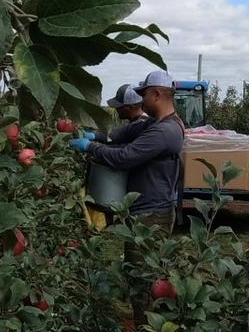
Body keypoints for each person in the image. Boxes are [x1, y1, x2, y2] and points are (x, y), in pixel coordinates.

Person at [70, 71, 185, 233]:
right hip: (144, 209)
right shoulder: (154, 123)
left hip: (152, 214)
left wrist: (89, 146)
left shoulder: (164, 131)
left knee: (140, 257)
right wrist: (94, 135)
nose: (142, 100)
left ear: (156, 94)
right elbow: (121, 133)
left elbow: (124, 157)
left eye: (144, 95)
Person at [82, 83, 150, 144]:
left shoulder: (142, 126)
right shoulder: (138, 122)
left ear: (129, 107)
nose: (116, 109)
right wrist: (95, 135)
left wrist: (89, 147)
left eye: (118, 106)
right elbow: (118, 134)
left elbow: (124, 151)